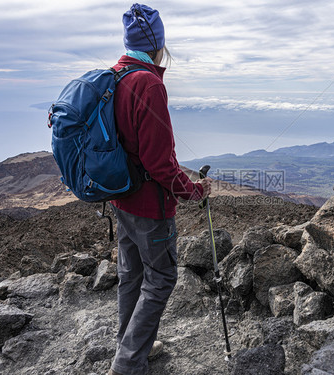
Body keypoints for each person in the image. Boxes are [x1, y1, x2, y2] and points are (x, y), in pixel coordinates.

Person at [108, 4, 212, 375]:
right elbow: (160, 163)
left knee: (131, 276)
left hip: (122, 199)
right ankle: (128, 363)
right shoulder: (148, 83)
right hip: (150, 207)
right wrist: (194, 192)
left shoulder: (116, 75)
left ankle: (132, 348)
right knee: (162, 278)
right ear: (158, 43)